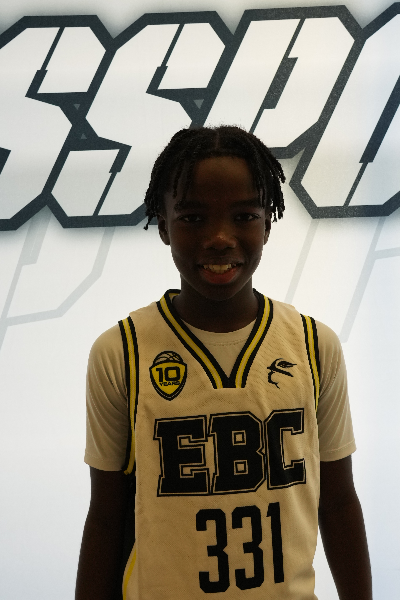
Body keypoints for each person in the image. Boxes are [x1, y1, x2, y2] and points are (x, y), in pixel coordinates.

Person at [75, 126, 372, 600]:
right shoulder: (122, 352)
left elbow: (336, 503)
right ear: (163, 224)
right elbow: (108, 519)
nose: (219, 238)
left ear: (268, 223)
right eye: (193, 217)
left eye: (244, 216)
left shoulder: (314, 346)